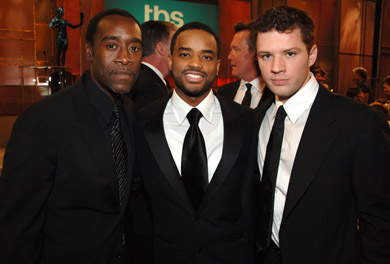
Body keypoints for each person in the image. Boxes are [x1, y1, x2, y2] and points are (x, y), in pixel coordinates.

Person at [251, 5, 390, 264]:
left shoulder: (358, 122)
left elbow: (380, 220)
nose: (276, 67)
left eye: (290, 53)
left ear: (312, 55)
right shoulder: (258, 118)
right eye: (266, 55)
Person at [0, 9, 142, 263]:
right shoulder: (43, 120)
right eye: (112, 45)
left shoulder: (130, 112)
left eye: (134, 48)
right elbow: (18, 227)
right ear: (89, 51)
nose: (125, 58)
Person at [133, 22, 254, 263]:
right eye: (185, 54)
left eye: (206, 56)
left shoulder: (247, 121)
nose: (195, 64)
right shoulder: (141, 121)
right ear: (170, 60)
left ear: (217, 66)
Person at [218, 21, 272, 109]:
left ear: (256, 53)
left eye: (236, 50)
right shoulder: (224, 92)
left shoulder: (275, 95)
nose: (229, 57)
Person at [127, 20, 177, 110]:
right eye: (177, 45)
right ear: (161, 49)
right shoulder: (150, 88)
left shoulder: (139, 79)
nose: (181, 53)